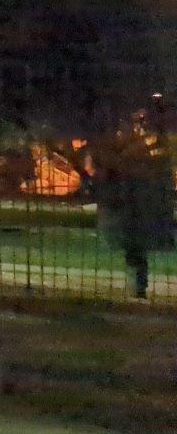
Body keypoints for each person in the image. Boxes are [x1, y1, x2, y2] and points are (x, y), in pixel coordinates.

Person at [93, 103, 175, 300]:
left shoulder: (143, 145)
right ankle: (138, 286)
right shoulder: (135, 145)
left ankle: (138, 287)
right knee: (135, 247)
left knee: (135, 247)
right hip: (134, 204)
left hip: (138, 204)